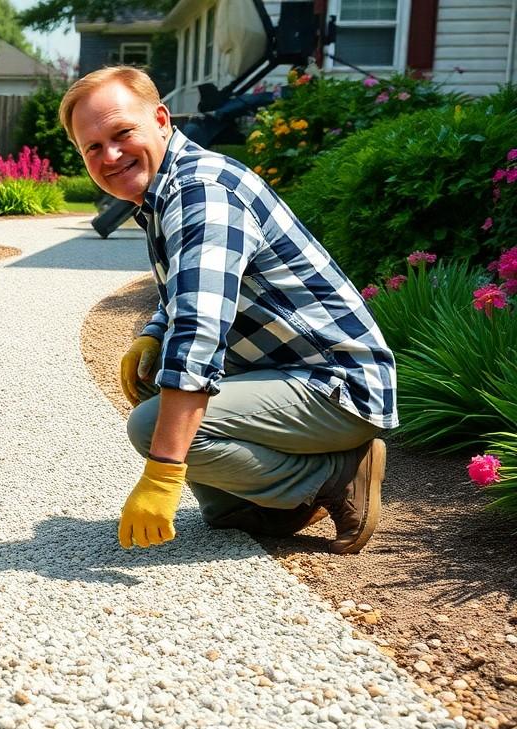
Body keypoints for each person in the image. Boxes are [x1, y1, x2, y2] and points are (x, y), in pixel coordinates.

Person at [59, 66, 397, 554]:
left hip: (337, 387)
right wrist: (154, 333)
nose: (109, 155)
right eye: (92, 147)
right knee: (161, 380)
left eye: (122, 133)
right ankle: (266, 502)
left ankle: (334, 475)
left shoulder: (203, 193)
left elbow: (199, 329)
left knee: (153, 426)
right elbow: (192, 292)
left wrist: (163, 473)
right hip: (286, 373)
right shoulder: (169, 188)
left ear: (160, 118)